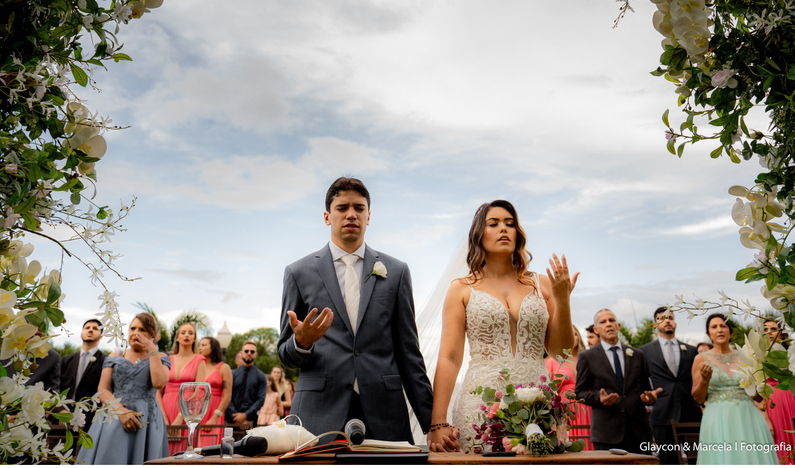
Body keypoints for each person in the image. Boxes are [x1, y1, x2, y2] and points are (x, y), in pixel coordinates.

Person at [277, 177, 433, 443]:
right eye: (342, 208)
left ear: (368, 216)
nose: (351, 214)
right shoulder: (297, 272)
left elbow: (409, 354)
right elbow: (285, 356)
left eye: (359, 208)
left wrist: (432, 424)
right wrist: (301, 342)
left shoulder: (396, 272)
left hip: (385, 414)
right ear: (327, 217)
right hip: (317, 415)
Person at [428, 200, 578, 452]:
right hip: (479, 405)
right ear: (479, 234)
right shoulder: (462, 288)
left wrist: (562, 299)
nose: (504, 229)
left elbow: (560, 352)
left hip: (537, 406)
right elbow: (450, 357)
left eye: (510, 224)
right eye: (494, 223)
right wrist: (438, 422)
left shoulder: (542, 284)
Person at [77, 313, 170, 464]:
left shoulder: (160, 357)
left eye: (142, 329)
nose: (135, 332)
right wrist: (121, 411)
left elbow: (159, 383)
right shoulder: (116, 355)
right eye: (132, 328)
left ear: (151, 334)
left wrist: (152, 350)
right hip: (113, 415)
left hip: (147, 420)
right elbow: (102, 389)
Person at [691, 313, 777, 465]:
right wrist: (705, 380)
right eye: (714, 327)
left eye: (723, 326)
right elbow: (698, 398)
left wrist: (755, 383)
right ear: (708, 334)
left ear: (731, 332)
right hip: (718, 418)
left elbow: (758, 397)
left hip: (748, 417)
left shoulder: (745, 356)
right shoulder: (701, 359)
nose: (719, 330)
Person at [575, 308, 661, 453]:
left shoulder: (638, 355)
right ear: (596, 329)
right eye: (603, 322)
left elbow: (645, 390)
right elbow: (579, 393)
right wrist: (598, 398)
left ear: (618, 326)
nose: (609, 324)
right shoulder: (587, 357)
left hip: (639, 432)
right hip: (606, 433)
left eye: (612, 320)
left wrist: (649, 398)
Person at [639, 307, 703, 464]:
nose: (667, 321)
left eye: (670, 317)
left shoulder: (691, 351)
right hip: (663, 415)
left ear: (675, 323)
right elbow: (642, 382)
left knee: (698, 460)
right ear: (655, 325)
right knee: (668, 461)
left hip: (691, 414)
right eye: (662, 318)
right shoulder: (644, 351)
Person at [762, 318, 795, 464]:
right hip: (774, 409)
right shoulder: (760, 357)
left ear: (782, 333)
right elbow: (758, 393)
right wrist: (765, 419)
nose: (769, 332)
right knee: (782, 448)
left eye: (773, 329)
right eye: (765, 330)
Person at [159, 322, 207, 455]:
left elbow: (199, 392)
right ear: (177, 337)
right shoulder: (167, 359)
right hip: (165, 409)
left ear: (194, 339)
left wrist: (181, 417)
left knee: (183, 452)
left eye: (191, 333)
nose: (187, 335)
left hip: (187, 411)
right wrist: (163, 417)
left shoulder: (200, 360)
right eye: (183, 332)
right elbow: (157, 391)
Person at [545, 325, 593, 450]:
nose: (572, 337)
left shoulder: (590, 358)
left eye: (575, 334)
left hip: (589, 407)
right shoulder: (552, 361)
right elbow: (547, 392)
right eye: (568, 334)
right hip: (566, 411)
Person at [60, 319, 106, 431]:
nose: (90, 330)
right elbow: (57, 387)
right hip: (61, 420)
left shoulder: (106, 361)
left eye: (95, 328)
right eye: (87, 328)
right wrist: (60, 411)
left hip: (91, 423)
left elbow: (104, 392)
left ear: (101, 336)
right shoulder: (66, 360)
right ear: (81, 333)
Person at [197, 336, 232, 447]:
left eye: (204, 345)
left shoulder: (223, 368)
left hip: (214, 412)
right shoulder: (198, 366)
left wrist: (214, 417)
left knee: (209, 446)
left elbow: (227, 396)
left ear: (213, 347)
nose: (200, 348)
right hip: (198, 411)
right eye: (199, 345)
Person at [226, 341, 266, 427]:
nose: (249, 353)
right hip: (231, 419)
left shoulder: (261, 376)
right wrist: (237, 417)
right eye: (246, 351)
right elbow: (227, 396)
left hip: (250, 421)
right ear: (241, 353)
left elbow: (261, 399)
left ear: (256, 354)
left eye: (252, 352)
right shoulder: (232, 375)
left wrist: (245, 415)